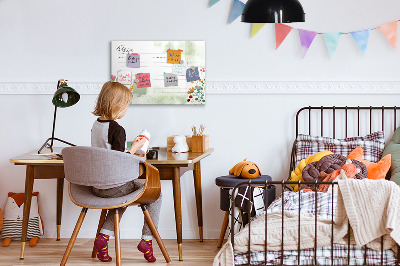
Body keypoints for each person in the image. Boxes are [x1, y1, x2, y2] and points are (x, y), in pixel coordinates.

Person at [91, 81, 161, 263]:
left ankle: (103, 238)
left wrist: (130, 149)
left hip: (97, 186)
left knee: (122, 198)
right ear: (117, 105)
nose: (126, 109)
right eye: (126, 105)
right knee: (156, 194)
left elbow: (108, 154)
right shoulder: (117, 129)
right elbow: (118, 161)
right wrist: (135, 149)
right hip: (114, 186)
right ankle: (147, 240)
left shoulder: (96, 125)